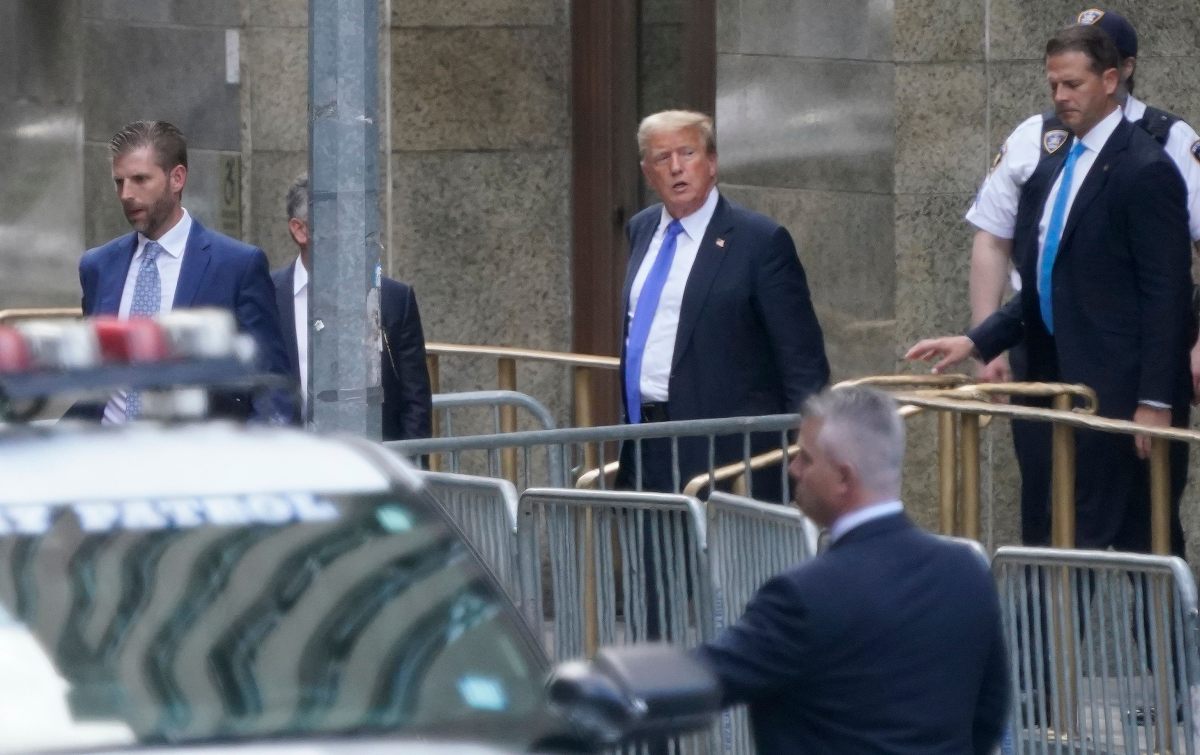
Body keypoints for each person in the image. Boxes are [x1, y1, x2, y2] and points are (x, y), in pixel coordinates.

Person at [907, 24, 1194, 555]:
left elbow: (1167, 294)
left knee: (1130, 542)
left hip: (1117, 393)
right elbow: (1050, 284)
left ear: (1111, 80)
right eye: (1054, 85)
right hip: (1050, 379)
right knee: (1047, 532)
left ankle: (1150, 616)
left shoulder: (1146, 168)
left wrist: (1155, 400)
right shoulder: (1056, 164)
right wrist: (978, 340)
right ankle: (1051, 614)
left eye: (1073, 84)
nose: (1061, 97)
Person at [694, 386, 1010, 754]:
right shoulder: (967, 574)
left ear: (844, 478)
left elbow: (706, 677)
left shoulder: (803, 596)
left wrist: (633, 679)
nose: (793, 469)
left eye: (805, 458)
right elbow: (988, 717)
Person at [615, 109, 829, 501]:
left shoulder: (759, 241)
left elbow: (803, 361)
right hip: (644, 445)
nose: (676, 168)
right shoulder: (642, 229)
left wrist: (804, 453)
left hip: (726, 456)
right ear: (647, 172)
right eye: (663, 158)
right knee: (646, 543)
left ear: (712, 163)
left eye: (688, 153)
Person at [75, 120, 292, 423]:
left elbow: (271, 386)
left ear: (177, 178)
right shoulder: (98, 266)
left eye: (140, 179)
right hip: (107, 444)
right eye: (119, 182)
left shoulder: (236, 266)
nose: (126, 194)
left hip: (193, 446)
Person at [273, 174, 432, 440]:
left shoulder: (393, 299)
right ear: (300, 230)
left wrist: (409, 461)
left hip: (371, 458)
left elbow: (416, 404)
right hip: (291, 457)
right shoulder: (269, 295)